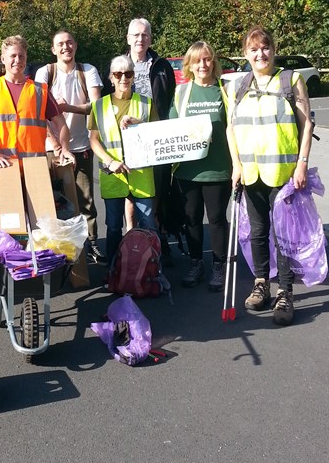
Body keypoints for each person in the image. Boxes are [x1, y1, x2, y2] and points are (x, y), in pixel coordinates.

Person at [226, 26, 313, 326]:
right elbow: (231, 129)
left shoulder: (291, 80)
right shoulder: (238, 85)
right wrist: (236, 165)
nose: (260, 53)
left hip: (284, 174)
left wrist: (302, 163)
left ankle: (284, 292)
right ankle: (261, 283)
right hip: (251, 174)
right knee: (258, 232)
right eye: (254, 49)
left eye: (265, 47)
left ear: (274, 50)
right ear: (246, 54)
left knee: (284, 236)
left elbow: (307, 125)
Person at [34, 31, 106, 265]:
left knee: (86, 200)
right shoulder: (45, 72)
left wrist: (67, 107)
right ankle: (60, 249)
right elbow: (38, 111)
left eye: (69, 42)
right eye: (60, 44)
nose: (66, 47)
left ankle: (91, 245)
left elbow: (96, 107)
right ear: (53, 49)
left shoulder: (88, 71)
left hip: (81, 145)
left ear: (76, 45)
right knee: (56, 201)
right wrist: (54, 143)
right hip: (50, 148)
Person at [168, 41, 232, 291]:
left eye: (207, 59)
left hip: (218, 168)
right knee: (192, 218)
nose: (203, 64)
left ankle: (219, 265)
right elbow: (170, 126)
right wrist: (138, 124)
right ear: (190, 65)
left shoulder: (225, 91)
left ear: (213, 63)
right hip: (187, 170)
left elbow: (235, 128)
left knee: (216, 219)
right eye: (197, 60)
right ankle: (196, 263)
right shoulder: (182, 92)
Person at [89, 55, 157, 267]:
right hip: (113, 176)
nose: (123, 78)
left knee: (147, 225)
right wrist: (109, 161)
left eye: (128, 73)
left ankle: (150, 270)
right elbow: (94, 140)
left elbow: (157, 135)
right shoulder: (99, 106)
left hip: (141, 175)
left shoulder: (146, 103)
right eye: (118, 74)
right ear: (111, 77)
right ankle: (114, 270)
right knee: (113, 227)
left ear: (133, 76)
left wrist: (139, 123)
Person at [0, 35, 74, 173]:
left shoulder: (40, 90)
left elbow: (61, 124)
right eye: (12, 56)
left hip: (34, 166)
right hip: (2, 165)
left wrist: (65, 149)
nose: (17, 60)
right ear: (3, 59)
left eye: (21, 56)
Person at [125, 17, 177, 258]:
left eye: (144, 35)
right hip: (127, 138)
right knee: (131, 189)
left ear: (150, 39)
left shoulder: (162, 66)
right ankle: (130, 236)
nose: (140, 39)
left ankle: (156, 235)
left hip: (157, 137)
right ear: (128, 39)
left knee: (157, 188)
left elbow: (171, 101)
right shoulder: (119, 65)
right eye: (136, 35)